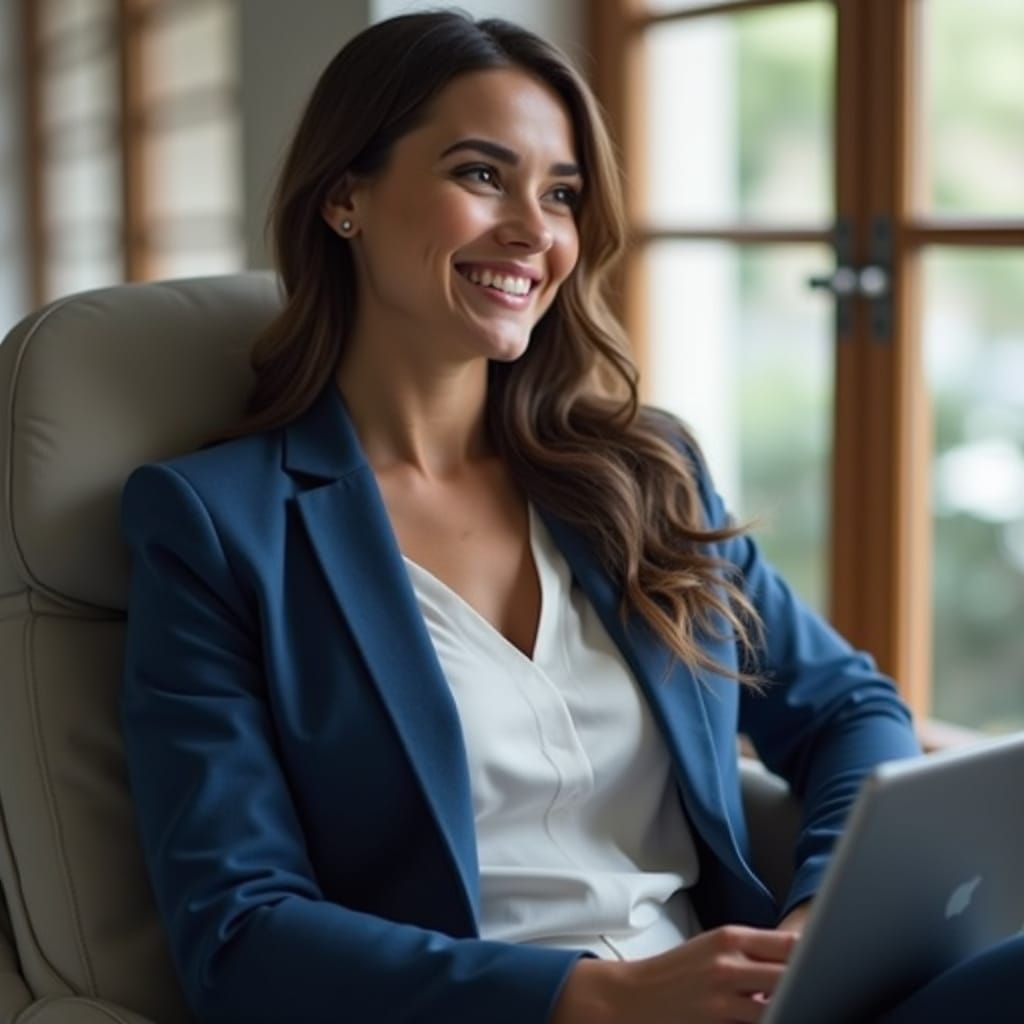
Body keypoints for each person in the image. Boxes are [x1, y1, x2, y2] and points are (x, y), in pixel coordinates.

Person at [118, 11, 1021, 1024]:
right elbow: (238, 933)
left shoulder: (640, 472)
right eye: (479, 174)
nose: (534, 231)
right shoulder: (215, 524)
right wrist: (599, 996)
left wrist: (820, 917)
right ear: (344, 198)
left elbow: (846, 706)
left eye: (561, 195)